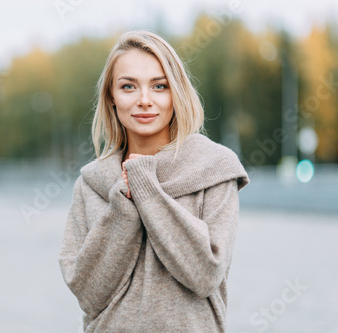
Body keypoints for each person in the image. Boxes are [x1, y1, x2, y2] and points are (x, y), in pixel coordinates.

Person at [57, 30, 250, 333]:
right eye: (128, 86)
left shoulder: (215, 169)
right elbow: (89, 294)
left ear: (176, 93)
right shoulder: (90, 184)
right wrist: (123, 205)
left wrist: (146, 190)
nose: (144, 100)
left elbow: (205, 274)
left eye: (159, 86)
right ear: (111, 96)